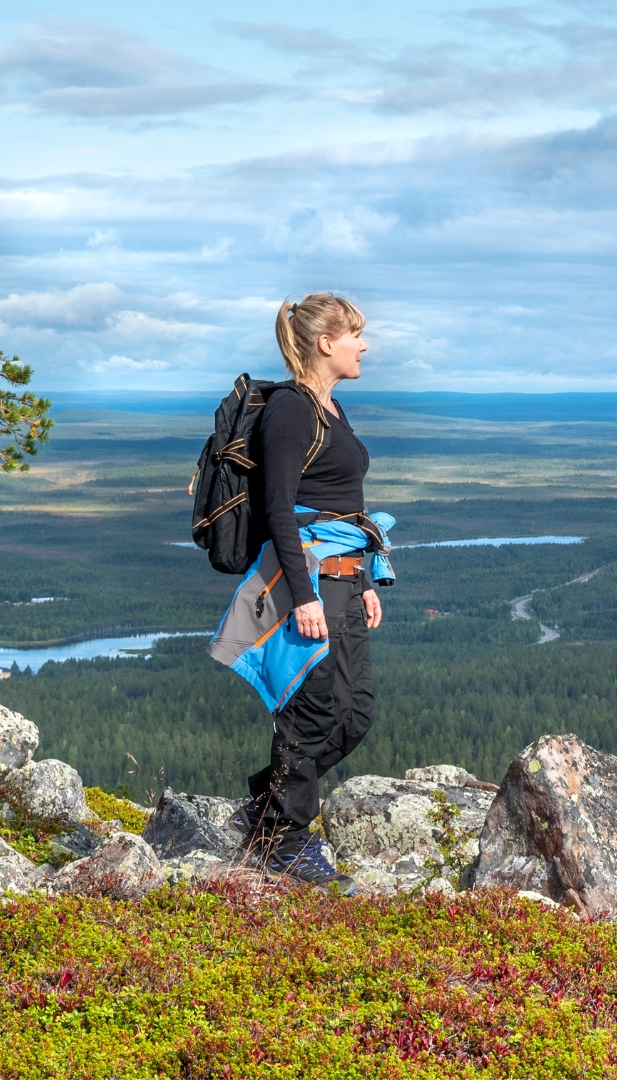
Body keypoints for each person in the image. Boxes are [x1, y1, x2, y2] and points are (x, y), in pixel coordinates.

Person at [237, 293, 385, 890]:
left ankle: (269, 805)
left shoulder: (331, 407)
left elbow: (345, 506)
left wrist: (368, 577)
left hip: (347, 580)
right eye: (355, 334)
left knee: (355, 714)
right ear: (325, 343)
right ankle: (286, 843)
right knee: (312, 710)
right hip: (309, 583)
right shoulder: (293, 409)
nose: (364, 344)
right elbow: (278, 509)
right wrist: (303, 597)